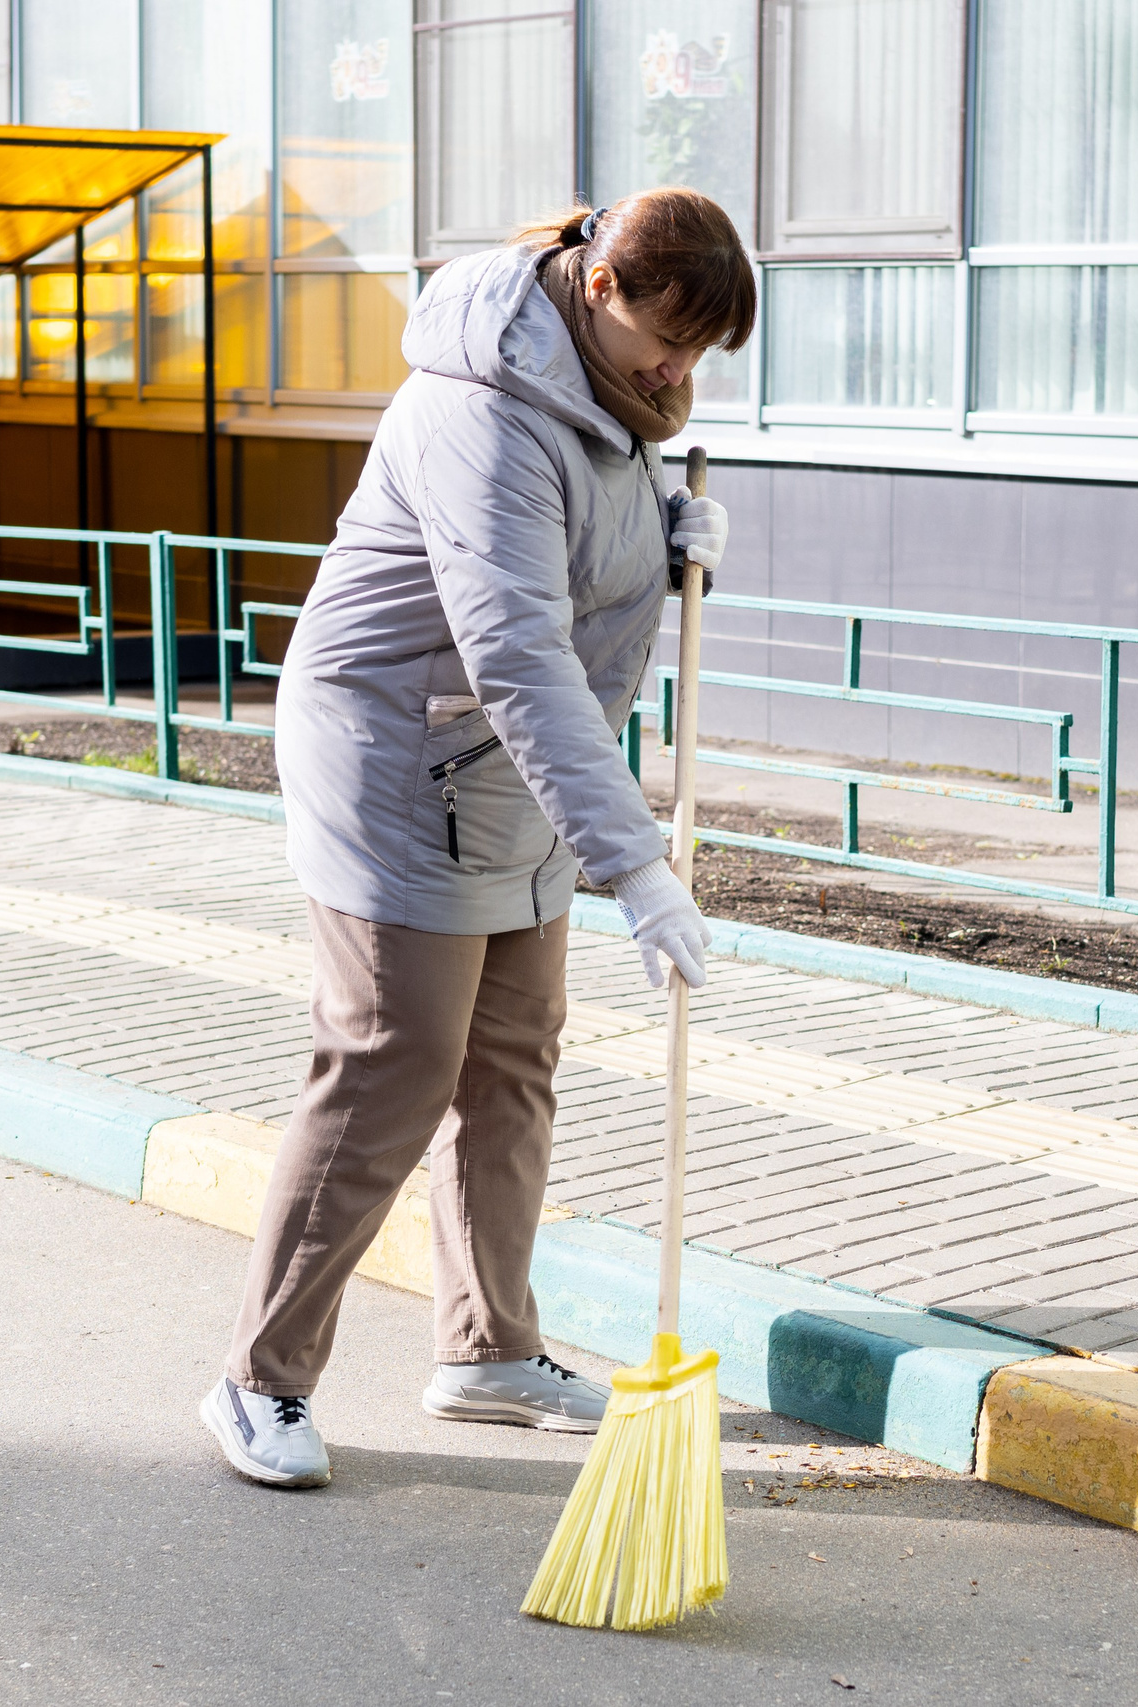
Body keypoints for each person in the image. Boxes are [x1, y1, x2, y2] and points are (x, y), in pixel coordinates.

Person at [199, 189, 755, 1489]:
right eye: (669, 339)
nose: (681, 371)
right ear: (601, 284)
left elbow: (570, 593)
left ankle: (488, 1350)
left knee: (512, 1061)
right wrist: (635, 864)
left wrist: (668, 543)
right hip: (401, 756)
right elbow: (513, 645)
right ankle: (256, 1379)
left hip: (509, 769)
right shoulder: (483, 407)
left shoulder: (613, 399)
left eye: (702, 354)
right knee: (395, 1058)